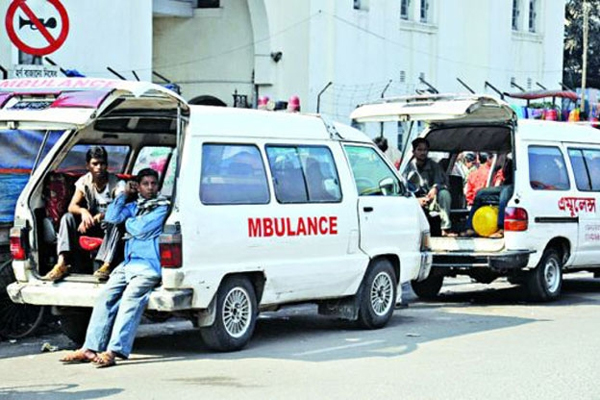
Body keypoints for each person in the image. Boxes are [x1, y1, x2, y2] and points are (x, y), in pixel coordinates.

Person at [58, 168, 170, 368]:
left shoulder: (162, 207)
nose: (150, 188)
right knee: (105, 296)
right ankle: (89, 348)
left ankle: (113, 351)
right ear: (138, 187)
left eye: (153, 184)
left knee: (130, 300)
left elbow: (141, 229)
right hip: (128, 264)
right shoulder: (134, 205)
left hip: (148, 267)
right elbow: (111, 218)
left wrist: (127, 223)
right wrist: (123, 196)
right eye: (145, 184)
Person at [43, 146, 125, 282]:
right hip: (91, 223)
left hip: (108, 225)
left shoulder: (116, 183)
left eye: (102, 164)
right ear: (88, 166)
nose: (99, 167)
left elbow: (120, 208)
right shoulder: (84, 181)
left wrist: (103, 216)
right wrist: (83, 212)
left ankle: (106, 264)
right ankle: (62, 262)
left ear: (107, 165)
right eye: (95, 164)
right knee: (67, 218)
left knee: (115, 222)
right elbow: (72, 206)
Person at [402, 137, 454, 237]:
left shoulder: (435, 166)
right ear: (414, 151)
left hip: (432, 201)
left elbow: (443, 182)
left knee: (444, 193)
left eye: (425, 150)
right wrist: (416, 200)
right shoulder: (408, 169)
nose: (423, 152)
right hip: (415, 201)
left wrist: (435, 188)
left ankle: (445, 228)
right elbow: (404, 190)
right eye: (419, 150)